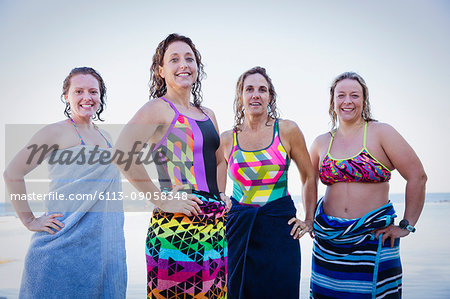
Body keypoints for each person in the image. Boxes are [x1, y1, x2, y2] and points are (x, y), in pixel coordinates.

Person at [114, 33, 227, 298]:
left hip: (214, 225)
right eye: (174, 59)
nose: (183, 64)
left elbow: (219, 160)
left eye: (189, 58)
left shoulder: (208, 114)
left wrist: (221, 195)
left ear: (198, 67)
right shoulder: (158, 109)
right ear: (161, 71)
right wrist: (161, 200)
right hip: (176, 227)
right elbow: (121, 153)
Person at [3, 67, 127, 298]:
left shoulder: (106, 137)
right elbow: (12, 173)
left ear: (101, 96)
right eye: (78, 91)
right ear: (66, 96)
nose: (87, 97)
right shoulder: (54, 133)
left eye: (93, 91)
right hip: (59, 249)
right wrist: (30, 220)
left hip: (99, 253)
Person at [309, 72, 427, 298]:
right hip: (328, 243)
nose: (347, 101)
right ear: (332, 102)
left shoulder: (381, 132)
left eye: (355, 95)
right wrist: (309, 218)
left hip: (373, 240)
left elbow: (417, 176)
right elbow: (308, 182)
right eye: (341, 95)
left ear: (364, 100)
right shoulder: (321, 142)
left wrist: (407, 225)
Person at [219, 66, 317, 299]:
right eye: (249, 89)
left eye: (262, 90)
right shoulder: (226, 139)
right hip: (238, 232)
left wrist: (309, 220)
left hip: (279, 232)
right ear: (240, 96)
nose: (256, 95)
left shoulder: (286, 130)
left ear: (270, 96)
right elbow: (218, 193)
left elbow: (309, 176)